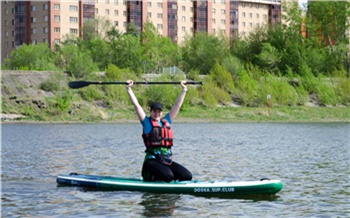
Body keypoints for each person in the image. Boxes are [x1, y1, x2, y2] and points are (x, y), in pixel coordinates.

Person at [126, 80, 192, 182]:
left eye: (158, 111)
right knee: (168, 176)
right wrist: (129, 89)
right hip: (151, 161)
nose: (156, 114)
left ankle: (169, 181)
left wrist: (184, 89)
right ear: (150, 112)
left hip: (165, 160)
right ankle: (152, 177)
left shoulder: (166, 121)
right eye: (154, 111)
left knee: (187, 176)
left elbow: (177, 106)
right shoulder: (147, 123)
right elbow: (137, 106)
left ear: (161, 113)